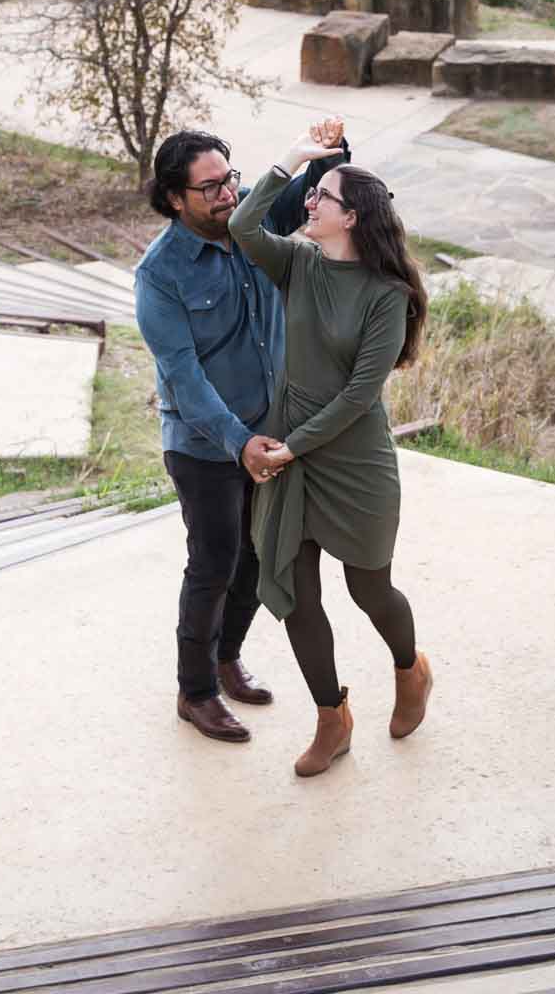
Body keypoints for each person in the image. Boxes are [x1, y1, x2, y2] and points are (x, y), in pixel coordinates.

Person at [135, 120, 350, 745]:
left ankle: (227, 657)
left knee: (261, 558)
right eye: (209, 188)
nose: (228, 194)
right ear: (175, 197)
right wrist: (238, 443)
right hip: (204, 445)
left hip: (274, 432)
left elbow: (319, 190)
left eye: (229, 178)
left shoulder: (253, 217)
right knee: (214, 562)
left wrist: (330, 146)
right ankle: (195, 691)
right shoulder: (160, 275)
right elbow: (181, 378)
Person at [228, 132, 432, 778]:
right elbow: (241, 221)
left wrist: (290, 447)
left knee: (368, 586)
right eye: (310, 193)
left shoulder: (386, 295)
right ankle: (331, 717)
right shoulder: (296, 263)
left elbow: (355, 398)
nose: (308, 202)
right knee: (295, 591)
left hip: (351, 458)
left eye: (322, 196)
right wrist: (293, 156)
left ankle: (410, 668)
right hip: (294, 453)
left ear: (352, 218)